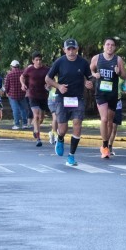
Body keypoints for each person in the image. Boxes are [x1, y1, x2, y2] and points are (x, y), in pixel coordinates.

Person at [45, 39, 94, 167]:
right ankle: (60, 138)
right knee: (63, 128)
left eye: (73, 49)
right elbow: (47, 78)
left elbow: (90, 78)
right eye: (69, 49)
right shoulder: (59, 62)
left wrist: (89, 83)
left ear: (77, 49)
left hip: (78, 98)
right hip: (62, 98)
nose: (71, 51)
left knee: (77, 124)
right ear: (64, 50)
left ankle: (71, 155)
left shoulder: (83, 62)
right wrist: (58, 86)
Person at [90, 38, 126, 159]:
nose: (110, 47)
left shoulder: (118, 59)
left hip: (113, 94)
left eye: (112, 45)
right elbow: (91, 69)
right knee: (104, 119)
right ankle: (105, 145)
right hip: (101, 93)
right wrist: (95, 74)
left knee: (110, 121)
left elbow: (124, 76)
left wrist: (119, 72)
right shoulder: (97, 58)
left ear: (115, 47)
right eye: (107, 44)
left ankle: (107, 144)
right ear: (103, 46)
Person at [21, 52, 51, 147]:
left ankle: (35, 128)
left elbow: (51, 79)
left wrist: (48, 85)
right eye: (36, 60)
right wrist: (23, 84)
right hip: (32, 95)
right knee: (36, 115)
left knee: (41, 117)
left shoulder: (46, 69)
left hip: (43, 95)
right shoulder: (29, 69)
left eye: (40, 60)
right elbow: (22, 77)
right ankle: (38, 137)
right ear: (33, 61)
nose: (38, 62)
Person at [4, 60, 29, 130]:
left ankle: (17, 124)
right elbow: (26, 83)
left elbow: (7, 85)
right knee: (23, 109)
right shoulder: (23, 73)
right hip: (22, 94)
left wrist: (6, 92)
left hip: (12, 95)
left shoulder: (9, 74)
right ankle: (25, 124)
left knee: (15, 110)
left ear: (12, 66)